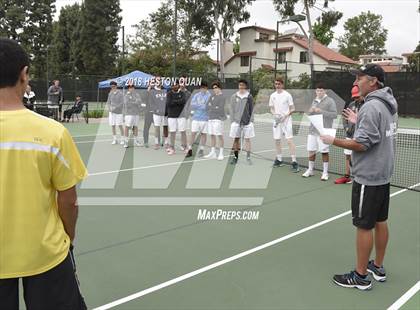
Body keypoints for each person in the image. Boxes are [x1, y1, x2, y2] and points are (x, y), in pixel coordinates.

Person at [0, 38, 88, 309]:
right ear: (24, 74)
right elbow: (69, 201)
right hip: (46, 254)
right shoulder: (53, 133)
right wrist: (68, 236)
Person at [321, 64, 397, 290]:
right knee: (380, 221)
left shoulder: (371, 107)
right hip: (383, 173)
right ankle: (377, 266)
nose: (356, 83)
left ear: (373, 81)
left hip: (368, 175)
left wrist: (331, 140)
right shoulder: (387, 103)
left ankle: (361, 276)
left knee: (364, 226)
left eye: (360, 78)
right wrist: (358, 121)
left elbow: (362, 144)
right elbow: (377, 131)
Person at [302, 84, 337, 181]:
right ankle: (310, 170)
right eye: (317, 91)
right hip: (313, 130)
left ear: (325, 91)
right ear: (315, 91)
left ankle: (325, 173)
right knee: (311, 150)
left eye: (321, 90)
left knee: (324, 151)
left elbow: (334, 115)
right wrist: (310, 110)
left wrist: (321, 111)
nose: (319, 92)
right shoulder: (314, 100)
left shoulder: (330, 101)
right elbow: (309, 113)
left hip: (324, 131)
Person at [335, 85, 364, 184]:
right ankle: (347, 176)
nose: (356, 98)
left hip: (360, 136)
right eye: (354, 97)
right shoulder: (351, 104)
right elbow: (344, 116)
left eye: (357, 96)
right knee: (348, 156)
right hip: (349, 135)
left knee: (359, 157)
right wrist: (346, 127)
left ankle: (359, 177)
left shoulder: (367, 105)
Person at [269, 77, 300, 172]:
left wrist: (285, 116)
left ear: (282, 85)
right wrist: (275, 115)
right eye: (276, 84)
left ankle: (294, 162)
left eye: (279, 84)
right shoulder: (272, 95)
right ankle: (279, 159)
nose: (277, 85)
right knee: (277, 140)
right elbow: (271, 108)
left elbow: (293, 108)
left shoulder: (287, 95)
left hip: (286, 121)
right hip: (277, 121)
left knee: (289, 141)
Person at [229, 79, 255, 165]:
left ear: (245, 86)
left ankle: (248, 158)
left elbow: (252, 109)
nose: (241, 87)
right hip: (236, 122)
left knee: (247, 140)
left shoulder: (249, 96)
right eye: (240, 85)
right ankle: (235, 157)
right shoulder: (234, 96)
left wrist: (251, 121)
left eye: (243, 85)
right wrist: (232, 121)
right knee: (236, 139)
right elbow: (231, 109)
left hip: (247, 122)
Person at [186, 81, 211, 158]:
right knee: (193, 133)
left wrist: (199, 106)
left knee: (203, 134)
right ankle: (189, 149)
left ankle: (201, 150)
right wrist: (201, 106)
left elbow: (207, 107)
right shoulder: (196, 95)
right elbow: (192, 105)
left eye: (204, 87)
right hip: (195, 118)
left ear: (206, 88)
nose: (203, 89)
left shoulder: (210, 96)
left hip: (205, 118)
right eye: (201, 87)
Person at [205, 81, 226, 160]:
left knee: (219, 136)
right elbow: (207, 107)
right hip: (210, 118)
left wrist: (212, 107)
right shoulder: (211, 96)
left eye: (216, 87)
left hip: (218, 119)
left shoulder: (222, 97)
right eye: (213, 88)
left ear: (219, 88)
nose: (214, 89)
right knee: (212, 135)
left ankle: (221, 153)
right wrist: (214, 107)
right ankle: (212, 153)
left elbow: (220, 109)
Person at [166, 79, 188, 155]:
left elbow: (183, 102)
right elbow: (169, 103)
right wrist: (178, 101)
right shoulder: (169, 94)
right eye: (173, 85)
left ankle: (185, 147)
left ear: (178, 85)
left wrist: (175, 101)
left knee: (183, 131)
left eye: (176, 84)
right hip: (171, 116)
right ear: (172, 86)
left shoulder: (182, 93)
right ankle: (172, 148)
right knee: (172, 132)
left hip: (181, 116)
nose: (174, 86)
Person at [149, 76, 169, 150]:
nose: (158, 82)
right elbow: (151, 103)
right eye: (157, 80)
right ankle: (156, 143)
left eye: (160, 80)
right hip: (157, 114)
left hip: (165, 113)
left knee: (165, 128)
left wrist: (167, 110)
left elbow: (168, 101)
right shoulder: (152, 91)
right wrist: (155, 109)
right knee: (157, 128)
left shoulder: (165, 90)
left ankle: (166, 142)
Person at [123, 84, 143, 148]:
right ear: (128, 88)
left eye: (132, 87)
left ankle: (136, 141)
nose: (132, 88)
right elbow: (127, 104)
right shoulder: (126, 95)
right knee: (127, 127)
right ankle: (125, 142)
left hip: (136, 113)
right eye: (130, 87)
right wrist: (135, 102)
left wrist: (134, 102)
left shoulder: (137, 95)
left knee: (135, 127)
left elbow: (139, 102)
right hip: (129, 114)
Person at [107, 81, 124, 145]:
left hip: (119, 112)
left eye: (113, 86)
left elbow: (122, 102)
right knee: (113, 126)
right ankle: (115, 139)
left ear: (116, 86)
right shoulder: (110, 93)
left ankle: (122, 139)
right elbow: (108, 102)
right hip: (112, 113)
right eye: (111, 87)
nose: (112, 88)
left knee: (120, 125)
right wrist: (109, 108)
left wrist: (115, 107)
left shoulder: (120, 93)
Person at [179, 75, 191, 151]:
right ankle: (183, 144)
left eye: (184, 82)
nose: (183, 83)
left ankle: (186, 145)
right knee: (181, 131)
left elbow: (190, 105)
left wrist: (188, 114)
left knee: (185, 131)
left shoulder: (188, 93)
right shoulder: (175, 91)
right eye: (181, 81)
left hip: (185, 116)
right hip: (177, 116)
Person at [143, 78, 155, 148]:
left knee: (157, 128)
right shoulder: (146, 91)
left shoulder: (156, 91)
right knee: (146, 128)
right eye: (150, 83)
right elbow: (144, 99)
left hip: (155, 113)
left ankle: (158, 141)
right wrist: (148, 90)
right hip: (148, 113)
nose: (152, 84)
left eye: (153, 83)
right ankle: (146, 142)